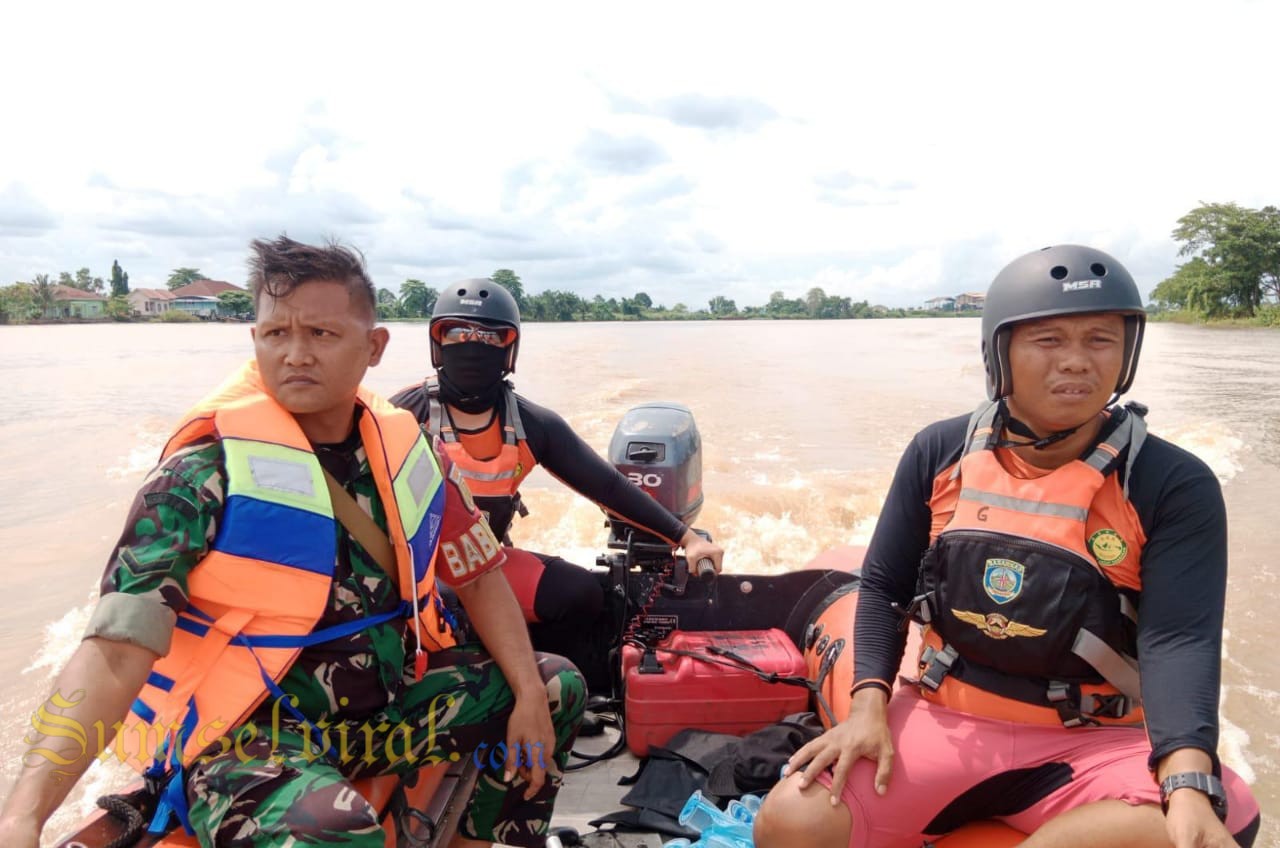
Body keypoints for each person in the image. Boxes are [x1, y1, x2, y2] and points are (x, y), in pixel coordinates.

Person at [0, 237, 584, 848]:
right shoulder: (202, 476)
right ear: (255, 340)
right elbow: (115, 648)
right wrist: (24, 816)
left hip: (378, 719)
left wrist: (524, 693)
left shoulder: (413, 455)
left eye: (322, 335)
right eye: (276, 334)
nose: (296, 354)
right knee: (337, 831)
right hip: (249, 738)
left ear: (374, 346)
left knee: (556, 688)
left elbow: (479, 575)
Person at [754, 245, 1262, 848]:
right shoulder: (937, 453)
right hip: (948, 719)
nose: (1076, 362)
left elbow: (1178, 638)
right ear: (1002, 353)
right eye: (1048, 341)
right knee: (792, 819)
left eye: (1101, 340)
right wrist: (868, 706)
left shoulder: (1171, 482)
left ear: (1127, 352)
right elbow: (885, 589)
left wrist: (1184, 781)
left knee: (1222, 817)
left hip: (1098, 744)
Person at [390, 280, 723, 679]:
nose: (473, 345)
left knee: (580, 594)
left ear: (510, 349)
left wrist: (686, 539)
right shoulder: (402, 417)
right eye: (459, 333)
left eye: (491, 337)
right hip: (416, 571)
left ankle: (550, 684)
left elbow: (609, 487)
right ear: (438, 342)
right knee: (446, 607)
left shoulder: (532, 424)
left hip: (485, 567)